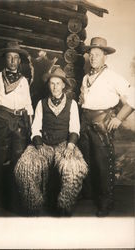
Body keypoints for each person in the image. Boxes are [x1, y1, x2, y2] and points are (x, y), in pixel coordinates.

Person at [14, 66, 88, 216]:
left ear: (63, 85)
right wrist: (39, 144)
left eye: (58, 83)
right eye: (52, 83)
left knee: (74, 167)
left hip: (64, 144)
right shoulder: (41, 103)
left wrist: (70, 146)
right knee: (24, 167)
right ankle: (33, 204)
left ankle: (64, 206)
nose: (55, 87)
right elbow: (35, 128)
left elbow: (75, 128)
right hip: (44, 144)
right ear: (49, 85)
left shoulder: (72, 104)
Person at [79, 37, 134, 217]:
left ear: (105, 57)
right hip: (85, 123)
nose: (93, 57)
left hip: (102, 123)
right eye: (91, 54)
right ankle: (90, 194)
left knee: (103, 163)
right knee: (87, 159)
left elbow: (133, 98)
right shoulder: (86, 77)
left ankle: (106, 201)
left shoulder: (113, 77)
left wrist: (118, 117)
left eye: (97, 54)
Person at [0, 41, 34, 209]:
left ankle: (15, 197)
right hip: (2, 123)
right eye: (9, 57)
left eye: (16, 58)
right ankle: (0, 197)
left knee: (18, 159)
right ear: (5, 59)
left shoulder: (24, 81)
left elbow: (28, 106)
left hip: (20, 124)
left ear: (20, 61)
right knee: (1, 158)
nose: (12, 61)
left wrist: (31, 129)